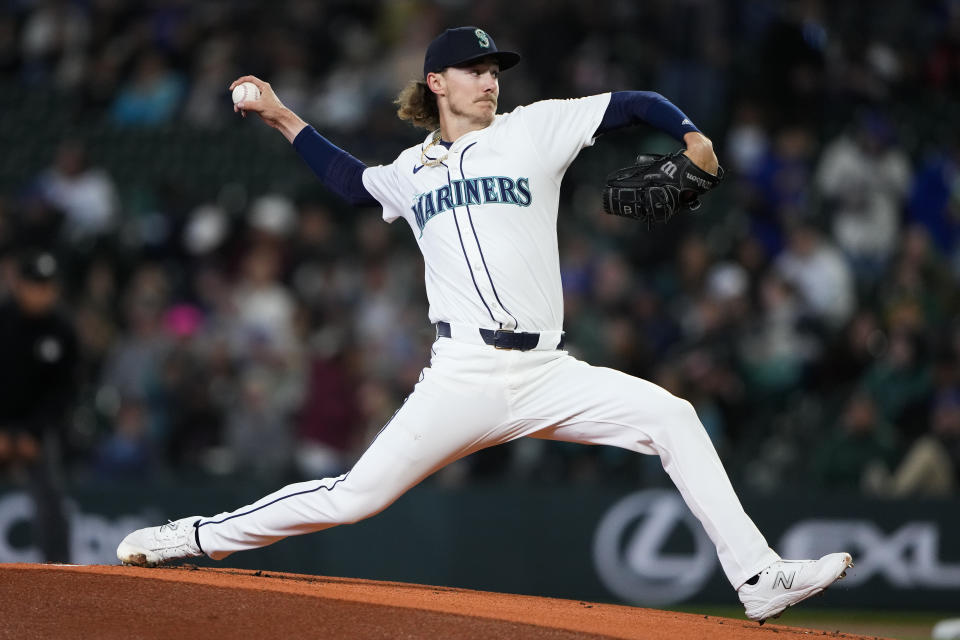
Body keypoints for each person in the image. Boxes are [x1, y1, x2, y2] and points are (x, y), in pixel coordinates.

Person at [118, 26, 851, 623]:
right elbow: (347, 179)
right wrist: (279, 113)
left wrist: (692, 137)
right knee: (353, 498)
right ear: (437, 82)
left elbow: (635, 103)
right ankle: (192, 536)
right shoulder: (410, 169)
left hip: (547, 372)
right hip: (463, 374)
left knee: (673, 417)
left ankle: (758, 577)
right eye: (473, 69)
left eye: (494, 68)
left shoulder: (535, 129)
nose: (489, 79)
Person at [0, 250, 78, 562]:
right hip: (1, 423)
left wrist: (33, 432)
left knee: (53, 501)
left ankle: (59, 572)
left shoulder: (62, 329)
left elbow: (64, 392)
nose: (42, 293)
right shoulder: (2, 321)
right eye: (35, 284)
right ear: (20, 285)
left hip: (39, 427)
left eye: (47, 285)